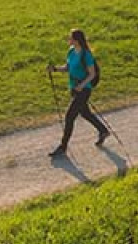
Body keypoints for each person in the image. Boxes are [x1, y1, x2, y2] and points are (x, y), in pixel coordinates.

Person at [47, 27, 111, 157]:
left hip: (84, 90)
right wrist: (55, 69)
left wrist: (81, 86)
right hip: (74, 88)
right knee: (86, 113)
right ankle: (103, 130)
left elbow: (92, 74)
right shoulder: (71, 52)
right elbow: (68, 67)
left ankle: (63, 146)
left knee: (69, 116)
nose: (68, 39)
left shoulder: (86, 55)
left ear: (76, 40)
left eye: (70, 38)